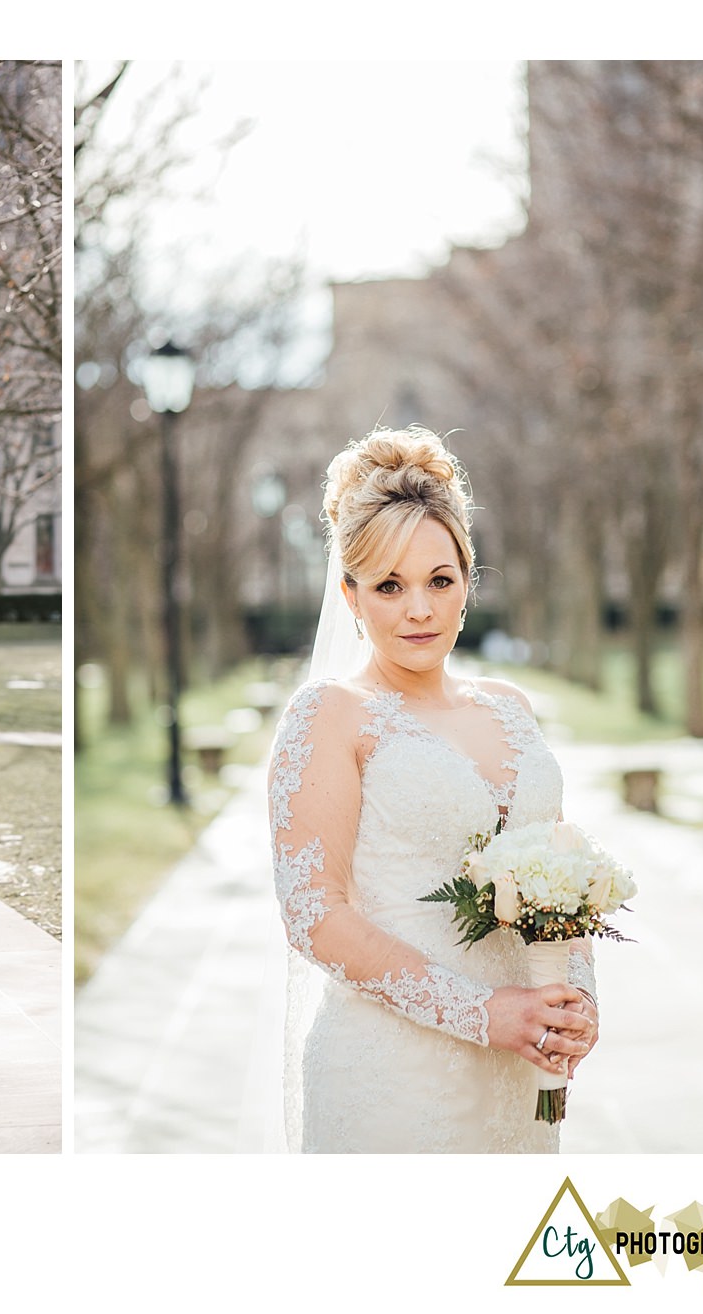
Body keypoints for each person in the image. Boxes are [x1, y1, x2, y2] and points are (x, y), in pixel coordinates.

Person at [269, 426, 599, 1152]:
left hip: (518, 1074)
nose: (418, 608)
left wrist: (576, 1003)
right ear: (350, 596)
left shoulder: (510, 707)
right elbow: (313, 915)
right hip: (392, 1074)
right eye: (389, 585)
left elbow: (564, 879)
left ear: (467, 583)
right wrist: (484, 1014)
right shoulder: (331, 715)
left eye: (439, 580)